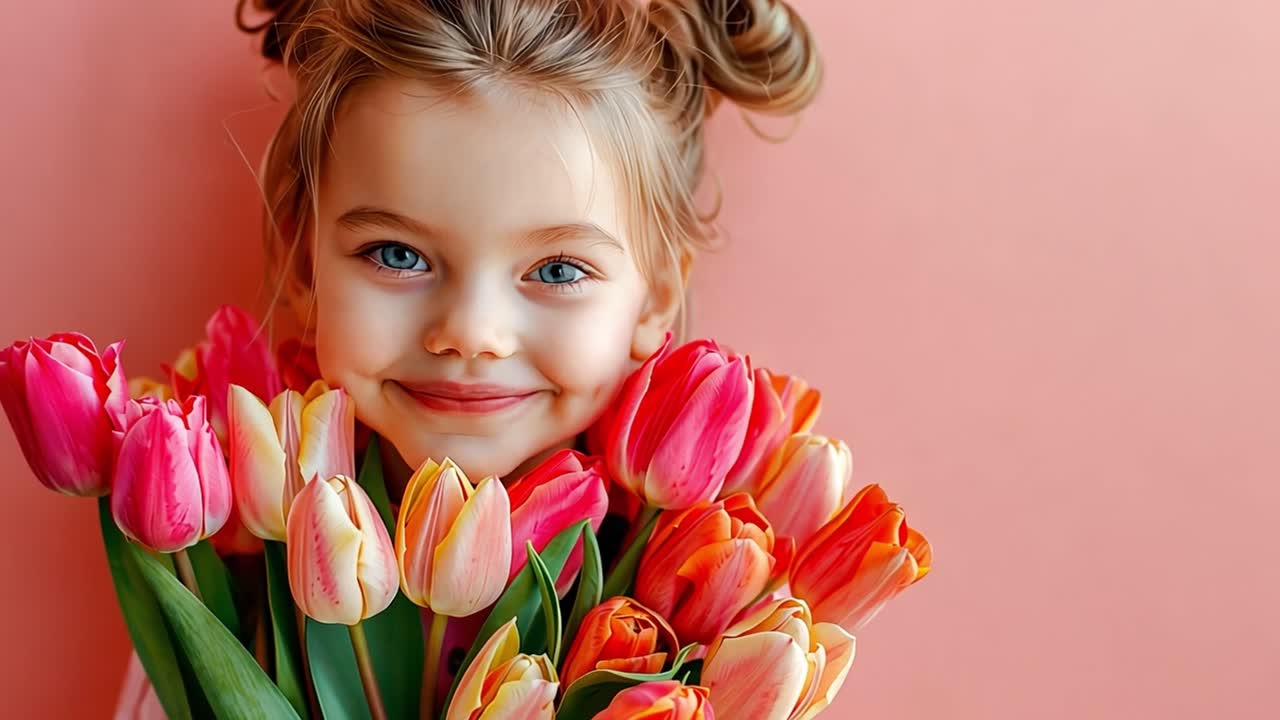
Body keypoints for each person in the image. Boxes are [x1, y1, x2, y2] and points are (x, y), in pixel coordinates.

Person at [116, 0, 820, 715]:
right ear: (303, 265)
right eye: (397, 255)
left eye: (557, 271)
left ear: (652, 298)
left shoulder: (703, 616)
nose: (470, 332)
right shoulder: (223, 596)